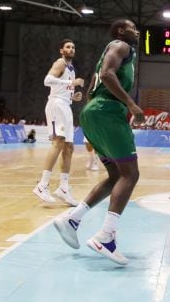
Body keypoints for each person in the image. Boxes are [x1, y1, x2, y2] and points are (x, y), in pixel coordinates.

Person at [53, 18, 146, 265]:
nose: (137, 31)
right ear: (120, 31)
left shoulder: (115, 51)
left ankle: (72, 219)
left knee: (116, 175)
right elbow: (106, 75)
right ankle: (106, 236)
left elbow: (95, 83)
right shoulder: (121, 46)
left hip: (93, 112)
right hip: (107, 111)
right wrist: (131, 104)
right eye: (132, 28)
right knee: (131, 174)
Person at [33, 39, 85, 205]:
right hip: (56, 105)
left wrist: (73, 96)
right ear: (61, 50)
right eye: (68, 47)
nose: (71, 49)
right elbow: (47, 80)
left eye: (73, 47)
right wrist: (71, 83)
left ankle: (63, 188)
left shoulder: (71, 68)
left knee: (69, 147)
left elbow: (64, 89)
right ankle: (42, 185)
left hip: (66, 105)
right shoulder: (60, 63)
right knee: (58, 142)